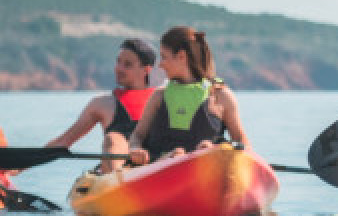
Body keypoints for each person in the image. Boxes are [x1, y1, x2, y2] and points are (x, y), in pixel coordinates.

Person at [128, 26, 250, 165]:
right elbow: (137, 135)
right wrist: (135, 148)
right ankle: (175, 158)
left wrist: (220, 150)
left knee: (205, 147)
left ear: (181, 56)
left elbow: (241, 141)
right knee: (177, 154)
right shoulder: (159, 96)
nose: (160, 65)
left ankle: (203, 154)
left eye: (164, 57)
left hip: (206, 168)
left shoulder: (220, 96)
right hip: (162, 168)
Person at [45, 38, 160, 173]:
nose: (119, 68)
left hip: (153, 163)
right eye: (118, 62)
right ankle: (118, 182)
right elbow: (63, 141)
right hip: (118, 169)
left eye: (127, 64)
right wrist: (21, 166)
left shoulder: (161, 98)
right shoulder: (102, 103)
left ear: (146, 70)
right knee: (113, 138)